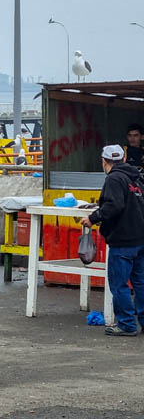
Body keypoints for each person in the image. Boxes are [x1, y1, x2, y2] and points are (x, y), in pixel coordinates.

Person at [80, 144, 144, 336]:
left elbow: (114, 205)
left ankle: (126, 324)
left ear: (104, 161)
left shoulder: (114, 179)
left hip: (122, 240)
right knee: (140, 283)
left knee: (119, 284)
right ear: (123, 159)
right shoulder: (137, 177)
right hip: (140, 238)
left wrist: (93, 218)